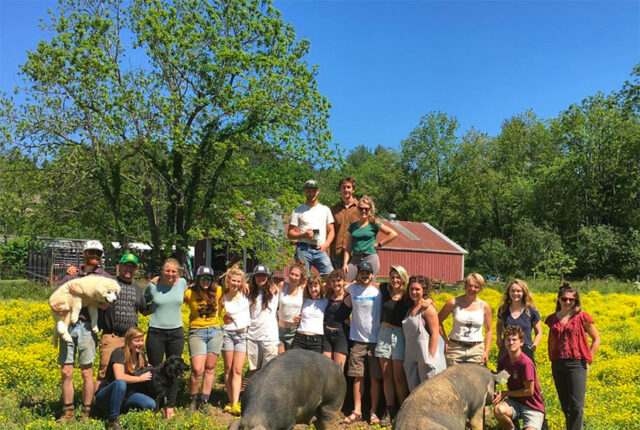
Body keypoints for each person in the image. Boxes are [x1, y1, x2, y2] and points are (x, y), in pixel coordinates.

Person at [52, 240, 112, 423]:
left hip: (87, 327)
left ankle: (86, 412)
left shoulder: (104, 277)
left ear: (101, 256)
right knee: (66, 371)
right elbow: (56, 296)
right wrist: (58, 308)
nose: (95, 256)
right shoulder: (72, 275)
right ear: (84, 253)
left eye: (98, 253)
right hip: (68, 325)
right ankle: (68, 411)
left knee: (87, 371)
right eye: (91, 252)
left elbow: (107, 302)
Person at [545, 281, 600, 430]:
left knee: (576, 406)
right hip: (557, 364)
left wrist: (588, 360)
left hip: (577, 364)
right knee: (566, 406)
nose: (568, 302)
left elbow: (596, 340)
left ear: (576, 301)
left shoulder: (582, 317)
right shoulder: (552, 319)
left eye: (571, 299)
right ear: (559, 299)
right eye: (564, 299)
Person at [95, 253, 148, 393]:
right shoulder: (109, 283)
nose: (128, 270)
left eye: (132, 267)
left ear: (136, 270)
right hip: (112, 336)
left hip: (131, 339)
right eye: (126, 266)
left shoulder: (137, 289)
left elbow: (144, 309)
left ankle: (123, 402)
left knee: (130, 370)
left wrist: (158, 284)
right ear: (120, 266)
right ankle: (93, 406)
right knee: (104, 371)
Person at [143, 257, 188, 419]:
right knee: (156, 371)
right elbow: (143, 304)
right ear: (162, 271)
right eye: (167, 271)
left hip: (176, 333)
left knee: (174, 371)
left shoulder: (182, 283)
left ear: (178, 273)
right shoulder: (152, 286)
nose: (170, 274)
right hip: (156, 333)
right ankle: (157, 404)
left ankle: (170, 406)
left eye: (173, 271)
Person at [343, 262, 383, 426]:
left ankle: (373, 411)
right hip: (357, 340)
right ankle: (357, 410)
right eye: (362, 273)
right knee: (357, 377)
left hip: (375, 340)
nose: (365, 276)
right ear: (357, 275)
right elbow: (336, 284)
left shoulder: (379, 291)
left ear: (372, 275)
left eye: (368, 273)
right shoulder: (352, 289)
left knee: (374, 378)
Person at [94, 327, 155, 429]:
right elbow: (119, 377)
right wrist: (140, 378)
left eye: (142, 340)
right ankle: (113, 420)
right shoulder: (119, 353)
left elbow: (151, 369)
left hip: (126, 396)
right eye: (137, 341)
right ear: (128, 341)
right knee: (121, 383)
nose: (140, 343)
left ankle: (122, 410)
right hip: (106, 395)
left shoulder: (141, 356)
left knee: (150, 404)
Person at [184, 265, 223, 411]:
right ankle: (192, 400)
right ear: (198, 278)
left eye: (208, 278)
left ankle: (204, 401)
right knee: (197, 369)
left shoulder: (218, 291)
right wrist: (157, 281)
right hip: (197, 332)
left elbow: (235, 288)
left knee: (210, 368)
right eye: (202, 278)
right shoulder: (189, 293)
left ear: (212, 279)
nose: (205, 281)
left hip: (215, 332)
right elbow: (173, 294)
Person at [375, 265, 410, 425]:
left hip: (399, 336)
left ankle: (403, 410)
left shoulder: (408, 295)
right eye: (392, 277)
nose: (395, 280)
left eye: (398, 277)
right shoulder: (383, 289)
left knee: (398, 377)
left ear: (403, 278)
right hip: (383, 334)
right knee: (386, 375)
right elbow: (364, 284)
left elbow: (425, 299)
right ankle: (390, 410)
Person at [493, 325, 546, 430]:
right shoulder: (504, 360)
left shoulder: (525, 363)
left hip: (532, 406)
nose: (511, 342)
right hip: (515, 403)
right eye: (508, 340)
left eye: (514, 340)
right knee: (499, 410)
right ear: (505, 342)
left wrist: (506, 393)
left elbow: (528, 391)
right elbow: (502, 380)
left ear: (521, 342)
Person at [439, 273, 493, 366]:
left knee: (475, 379)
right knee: (453, 379)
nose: (472, 289)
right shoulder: (453, 303)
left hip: (476, 350)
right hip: (455, 349)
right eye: (470, 286)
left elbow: (489, 330)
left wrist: (486, 351)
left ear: (480, 289)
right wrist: (445, 341)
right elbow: (437, 321)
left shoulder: (484, 306)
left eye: (476, 287)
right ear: (465, 286)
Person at [402, 275, 444, 391]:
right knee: (414, 391)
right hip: (411, 356)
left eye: (417, 289)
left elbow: (435, 333)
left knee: (428, 391)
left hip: (424, 356)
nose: (414, 292)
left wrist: (429, 356)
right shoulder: (409, 309)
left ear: (424, 290)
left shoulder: (428, 309)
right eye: (411, 289)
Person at [343, 195, 397, 281]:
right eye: (361, 208)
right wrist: (345, 263)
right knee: (346, 281)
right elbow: (348, 247)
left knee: (369, 283)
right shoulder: (353, 226)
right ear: (357, 209)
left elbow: (393, 234)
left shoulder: (374, 223)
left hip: (370, 258)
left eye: (366, 209)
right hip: (355, 259)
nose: (363, 211)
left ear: (370, 210)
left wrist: (379, 244)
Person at [219, 265, 250, 416]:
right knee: (228, 369)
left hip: (242, 335)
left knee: (237, 370)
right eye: (233, 280)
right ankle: (230, 400)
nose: (236, 283)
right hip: (228, 334)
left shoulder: (246, 293)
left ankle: (236, 403)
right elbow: (216, 315)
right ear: (228, 280)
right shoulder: (222, 297)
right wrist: (223, 318)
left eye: (239, 281)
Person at [287, 179, 335, 275]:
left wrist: (326, 245)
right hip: (303, 249)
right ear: (305, 191)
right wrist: (303, 235)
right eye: (309, 191)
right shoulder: (297, 211)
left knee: (330, 275)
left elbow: (331, 231)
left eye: (314, 191)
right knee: (303, 277)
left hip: (319, 249)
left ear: (318, 191)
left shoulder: (325, 209)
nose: (311, 193)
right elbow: (290, 233)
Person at [496, 279, 542, 362]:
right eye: (512, 291)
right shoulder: (503, 309)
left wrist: (534, 346)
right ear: (508, 293)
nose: (515, 294)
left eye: (518, 291)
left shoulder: (531, 311)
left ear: (524, 292)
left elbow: (539, 332)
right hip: (507, 350)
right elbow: (499, 325)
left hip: (525, 350)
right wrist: (498, 338)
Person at [247, 264, 280, 376]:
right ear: (254, 277)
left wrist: (273, 285)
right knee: (253, 370)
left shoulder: (274, 292)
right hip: (252, 336)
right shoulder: (249, 293)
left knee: (269, 370)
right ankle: (246, 391)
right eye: (258, 276)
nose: (261, 278)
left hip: (269, 338)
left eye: (263, 276)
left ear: (268, 277)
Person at [322, 269, 351, 371]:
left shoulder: (348, 296)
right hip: (326, 335)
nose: (336, 283)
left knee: (338, 370)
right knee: (325, 368)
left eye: (339, 280)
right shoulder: (328, 295)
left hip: (341, 336)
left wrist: (351, 322)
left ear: (343, 281)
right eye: (333, 281)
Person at [291, 275, 329, 353]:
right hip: (299, 339)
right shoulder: (304, 300)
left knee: (313, 365)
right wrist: (296, 318)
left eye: (315, 286)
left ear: (320, 286)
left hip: (316, 341)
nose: (313, 289)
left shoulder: (326, 302)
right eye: (310, 287)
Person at [330, 177, 359, 269]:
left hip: (355, 254)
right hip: (336, 253)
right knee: (337, 282)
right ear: (340, 190)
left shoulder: (361, 208)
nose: (346, 190)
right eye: (343, 187)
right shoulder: (334, 210)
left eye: (348, 187)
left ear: (353, 190)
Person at [277, 263, 306, 353]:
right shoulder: (282, 285)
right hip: (280, 330)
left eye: (296, 275)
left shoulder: (303, 289)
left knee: (291, 361)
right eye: (292, 274)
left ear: (301, 277)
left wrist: (302, 317)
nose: (293, 277)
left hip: (294, 331)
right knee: (280, 359)